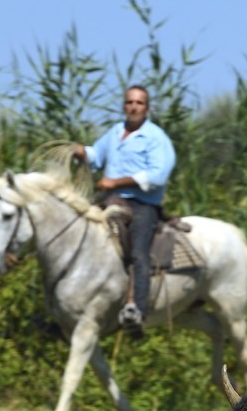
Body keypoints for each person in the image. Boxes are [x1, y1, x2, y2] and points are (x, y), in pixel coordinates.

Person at [73, 85, 177, 332]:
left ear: (147, 108)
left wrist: (116, 182)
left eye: (139, 103)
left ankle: (136, 309)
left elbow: (157, 174)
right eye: (130, 102)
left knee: (139, 253)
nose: (134, 107)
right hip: (112, 202)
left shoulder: (155, 138)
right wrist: (80, 153)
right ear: (124, 106)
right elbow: (96, 156)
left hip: (141, 205)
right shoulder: (114, 133)